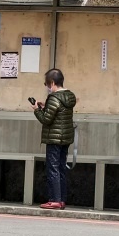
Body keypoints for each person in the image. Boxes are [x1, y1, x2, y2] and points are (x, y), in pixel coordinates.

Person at [33, 68, 76, 210]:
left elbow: (46, 120)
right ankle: (62, 199)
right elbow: (59, 112)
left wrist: (37, 110)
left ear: (52, 83)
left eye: (46, 84)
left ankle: (54, 199)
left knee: (53, 168)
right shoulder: (69, 96)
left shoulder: (54, 98)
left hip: (54, 139)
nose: (47, 88)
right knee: (61, 168)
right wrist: (46, 107)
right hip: (66, 138)